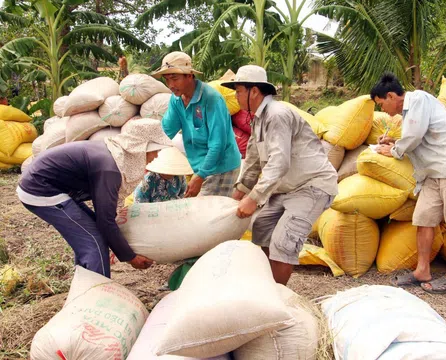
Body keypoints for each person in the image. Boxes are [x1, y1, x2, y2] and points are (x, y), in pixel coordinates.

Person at [222, 65, 338, 285]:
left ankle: (277, 296)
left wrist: (253, 198)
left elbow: (279, 162)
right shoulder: (258, 119)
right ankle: (268, 284)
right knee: (262, 227)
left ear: (254, 91)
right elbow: (254, 160)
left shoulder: (277, 115)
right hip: (286, 188)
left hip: (311, 186)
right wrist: (240, 191)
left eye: (238, 91)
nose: (235, 96)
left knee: (283, 241)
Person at [17, 119, 171, 278]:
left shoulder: (113, 155)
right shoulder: (109, 170)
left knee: (91, 233)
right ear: (140, 149)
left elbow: (105, 219)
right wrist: (130, 257)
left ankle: (85, 284)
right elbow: (105, 221)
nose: (156, 155)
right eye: (155, 150)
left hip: (52, 186)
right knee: (93, 241)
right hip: (40, 189)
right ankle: (97, 293)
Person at [371, 73, 446, 293]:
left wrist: (393, 150)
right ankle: (422, 270)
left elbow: (414, 136)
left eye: (381, 104)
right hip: (433, 172)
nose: (383, 110)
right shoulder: (411, 111)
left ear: (391, 96)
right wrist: (395, 142)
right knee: (423, 219)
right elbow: (418, 136)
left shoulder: (418, 98)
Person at [152, 51, 241, 198]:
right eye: (167, 80)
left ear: (189, 75)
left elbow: (217, 144)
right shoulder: (177, 100)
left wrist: (200, 175)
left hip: (222, 166)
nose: (171, 85)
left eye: (175, 79)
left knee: (207, 215)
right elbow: (165, 131)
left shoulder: (212, 99)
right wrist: (150, 155)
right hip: (198, 165)